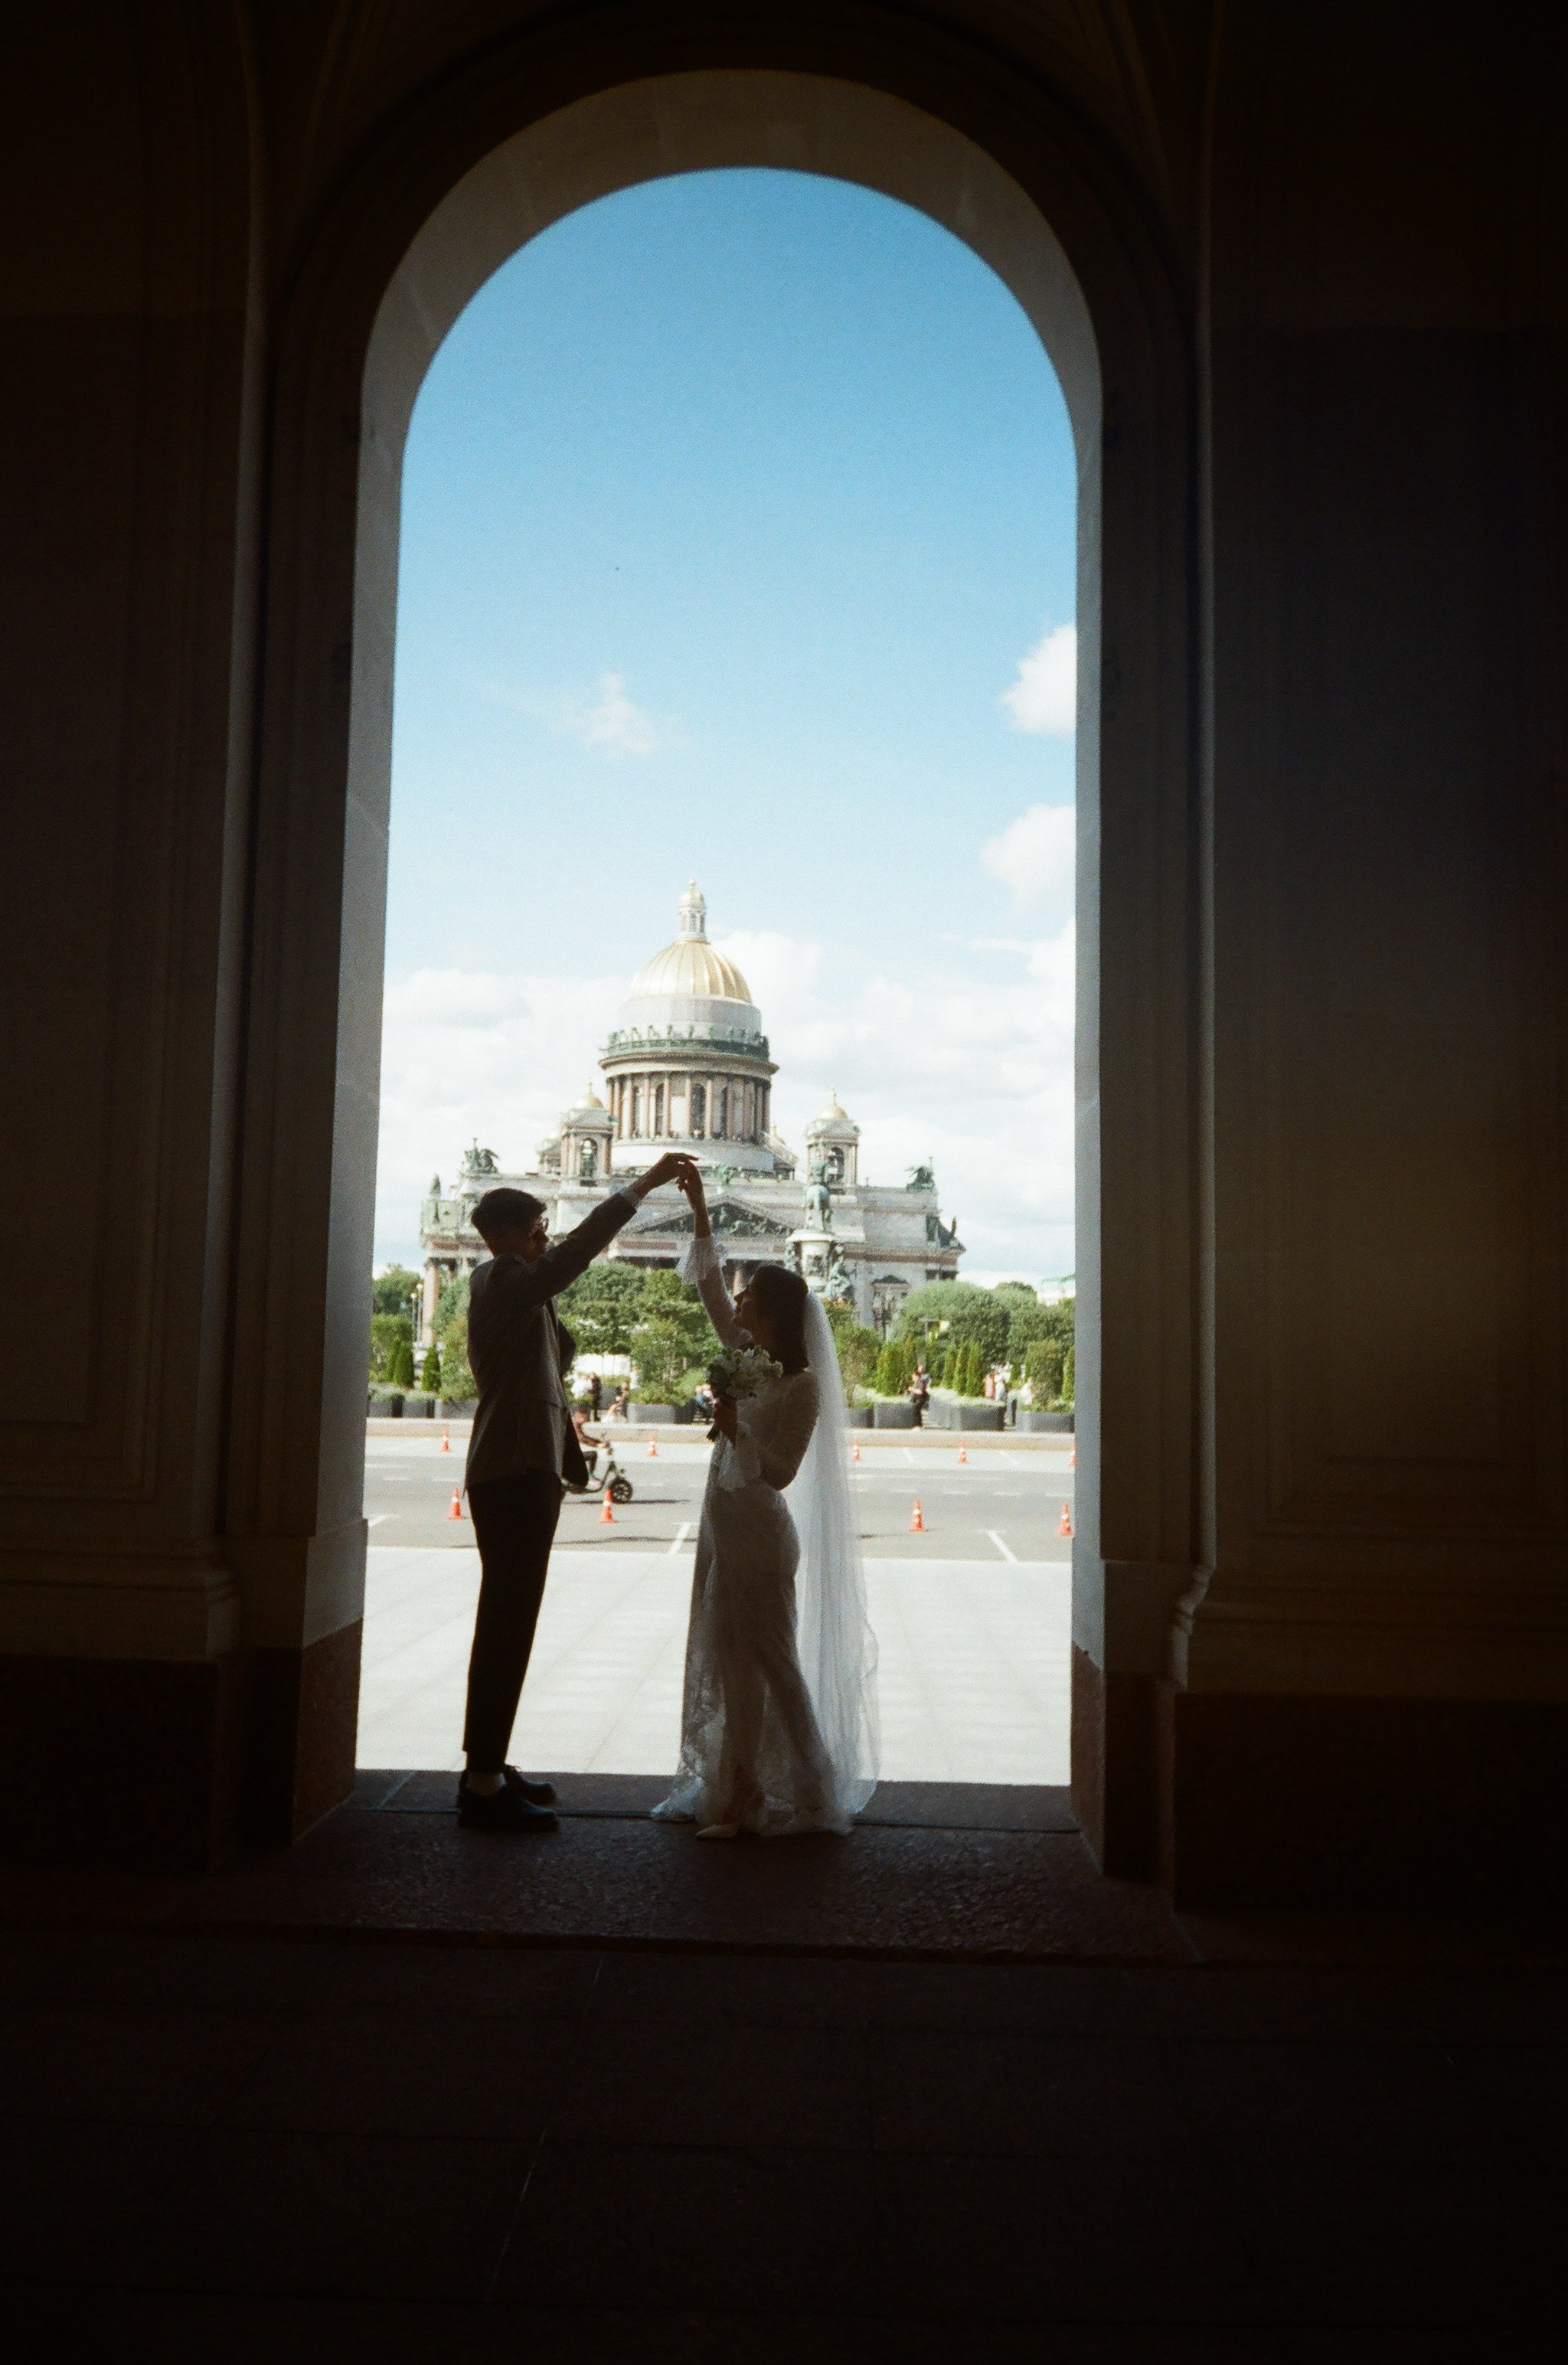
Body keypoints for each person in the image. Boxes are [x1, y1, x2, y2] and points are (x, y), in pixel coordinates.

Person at [457, 1152, 688, 1832]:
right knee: (507, 1622)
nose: (546, 1238)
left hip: (521, 1465)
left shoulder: (509, 1280)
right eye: (537, 1229)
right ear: (508, 1235)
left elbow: (540, 1362)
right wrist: (640, 1188)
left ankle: (489, 1763)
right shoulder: (504, 1276)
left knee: (508, 1621)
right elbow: (572, 1258)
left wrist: (570, 1422)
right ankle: (482, 1781)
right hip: (512, 1470)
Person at [652, 1158, 879, 1839]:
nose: (738, 1302)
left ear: (775, 1311)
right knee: (732, 1665)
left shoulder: (801, 1387)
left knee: (775, 1665)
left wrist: (735, 1433)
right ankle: (740, 1796)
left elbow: (779, 1473)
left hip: (762, 1534)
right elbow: (710, 1295)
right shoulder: (748, 1354)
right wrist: (698, 1212)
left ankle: (815, 1794)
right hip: (726, 1528)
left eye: (750, 1296)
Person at [908, 1363, 930, 1427]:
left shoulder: (921, 1382)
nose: (913, 1378)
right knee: (917, 1411)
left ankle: (917, 1425)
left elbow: (920, 1392)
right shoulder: (917, 1382)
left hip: (921, 1399)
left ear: (917, 1377)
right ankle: (919, 1425)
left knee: (915, 1410)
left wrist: (912, 1389)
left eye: (913, 1377)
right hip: (918, 1399)